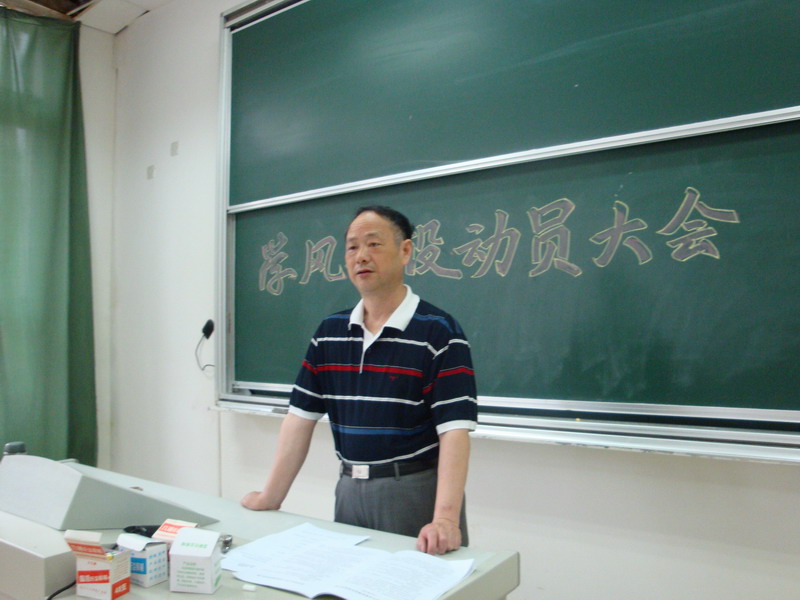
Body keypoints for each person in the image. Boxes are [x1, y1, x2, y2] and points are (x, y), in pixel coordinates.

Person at [241, 205, 478, 555]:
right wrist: (271, 496)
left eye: (374, 244)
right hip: (349, 488)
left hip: (413, 491)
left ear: (405, 251)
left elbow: (454, 431)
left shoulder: (439, 331)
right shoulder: (330, 333)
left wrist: (445, 519)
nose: (361, 256)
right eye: (352, 247)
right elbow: (299, 419)